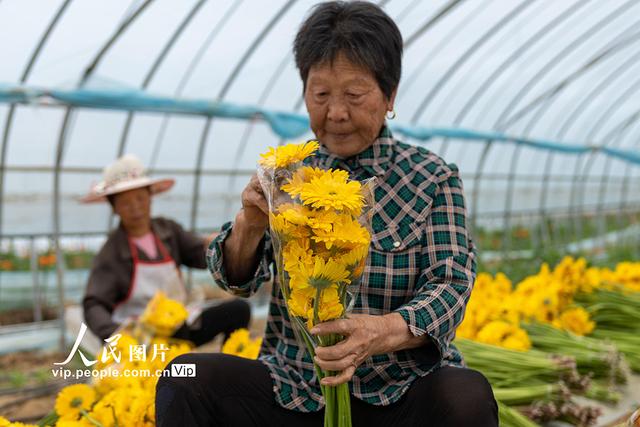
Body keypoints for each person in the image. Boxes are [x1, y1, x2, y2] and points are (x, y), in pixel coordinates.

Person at [156, 2, 498, 426]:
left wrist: (380, 332)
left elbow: (450, 285)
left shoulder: (431, 178)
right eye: (320, 95)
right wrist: (250, 221)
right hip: (296, 389)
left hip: (399, 390)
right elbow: (235, 280)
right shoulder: (289, 173)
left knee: (467, 395)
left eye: (354, 95)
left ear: (389, 96)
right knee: (183, 375)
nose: (335, 112)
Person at [80, 154, 250, 348]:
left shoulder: (168, 230)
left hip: (179, 324)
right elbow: (94, 304)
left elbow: (200, 254)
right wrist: (116, 336)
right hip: (142, 336)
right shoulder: (111, 253)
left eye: (140, 198)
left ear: (150, 197)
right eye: (125, 203)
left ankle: (231, 368)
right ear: (114, 208)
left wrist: (219, 242)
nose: (135, 208)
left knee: (239, 310)